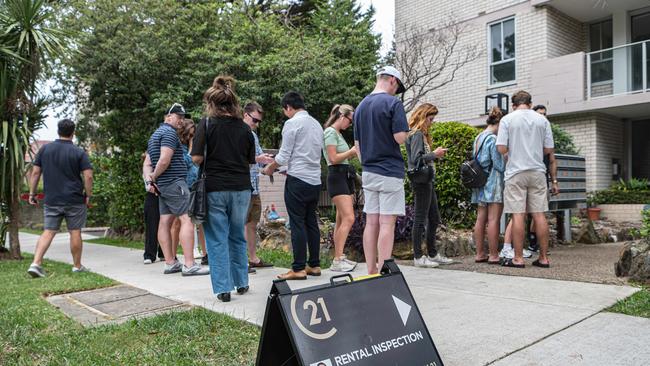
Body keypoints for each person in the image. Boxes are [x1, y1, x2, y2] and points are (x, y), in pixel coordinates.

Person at [191, 75, 256, 302]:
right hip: (241, 189)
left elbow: (197, 157)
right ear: (234, 104)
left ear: (212, 103)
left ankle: (223, 288)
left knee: (217, 238)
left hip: (214, 188)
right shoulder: (245, 128)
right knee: (237, 235)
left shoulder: (206, 124)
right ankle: (242, 281)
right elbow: (250, 159)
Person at [353, 66, 409, 274]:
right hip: (389, 170)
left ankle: (370, 270)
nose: (397, 91)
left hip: (368, 171)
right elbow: (399, 138)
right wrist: (407, 132)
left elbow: (357, 145)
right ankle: (384, 270)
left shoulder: (360, 106)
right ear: (393, 80)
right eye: (398, 86)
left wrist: (367, 162)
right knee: (387, 223)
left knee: (372, 222)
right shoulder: (393, 103)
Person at [263, 91, 324, 280]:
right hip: (314, 180)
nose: (285, 114)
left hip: (297, 180)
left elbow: (283, 156)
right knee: (311, 222)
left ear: (289, 107)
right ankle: (314, 265)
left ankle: (298, 268)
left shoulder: (292, 123)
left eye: (285, 110)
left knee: (297, 223)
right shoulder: (317, 124)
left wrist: (270, 168)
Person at [144, 103, 209, 276]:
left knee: (165, 221)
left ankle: (170, 263)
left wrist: (150, 180)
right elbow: (164, 160)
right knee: (187, 219)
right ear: (168, 117)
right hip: (174, 183)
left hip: (163, 186)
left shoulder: (155, 135)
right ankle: (189, 265)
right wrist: (154, 177)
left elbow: (147, 163)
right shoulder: (169, 133)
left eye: (182, 117)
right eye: (177, 117)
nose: (180, 120)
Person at [496, 91, 558, 268]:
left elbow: (500, 148)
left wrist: (511, 150)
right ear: (530, 104)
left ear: (514, 105)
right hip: (538, 172)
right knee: (539, 214)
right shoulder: (542, 120)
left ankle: (518, 258)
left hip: (515, 172)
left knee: (518, 215)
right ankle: (544, 258)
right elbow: (548, 149)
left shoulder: (507, 119)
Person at [27, 119, 93, 277]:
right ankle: (77, 266)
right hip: (75, 199)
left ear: (58, 131)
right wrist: (88, 195)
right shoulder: (78, 152)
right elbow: (88, 176)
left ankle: (36, 263)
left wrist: (32, 193)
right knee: (75, 231)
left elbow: (35, 173)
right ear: (73, 132)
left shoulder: (45, 150)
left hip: (52, 199)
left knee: (48, 231)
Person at [405, 103, 454, 268]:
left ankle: (432, 253)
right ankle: (418, 256)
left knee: (434, 218)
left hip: (426, 180)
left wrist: (434, 154)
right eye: (430, 119)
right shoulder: (417, 134)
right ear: (423, 116)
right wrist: (435, 154)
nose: (431, 122)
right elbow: (416, 159)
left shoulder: (420, 134)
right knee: (420, 218)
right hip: (421, 181)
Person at [322, 104, 358, 272]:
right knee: (349, 218)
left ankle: (339, 256)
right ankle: (337, 259)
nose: (350, 125)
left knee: (341, 219)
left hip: (343, 175)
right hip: (336, 175)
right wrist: (351, 152)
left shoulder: (337, 134)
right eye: (350, 121)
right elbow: (333, 158)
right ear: (342, 116)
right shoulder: (330, 132)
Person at [242, 102, 275, 272]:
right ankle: (241, 261)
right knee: (240, 224)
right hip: (242, 186)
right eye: (255, 120)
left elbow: (259, 158)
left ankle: (253, 258)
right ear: (245, 115)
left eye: (259, 121)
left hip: (254, 186)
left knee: (252, 224)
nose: (256, 124)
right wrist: (259, 159)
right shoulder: (239, 132)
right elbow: (240, 158)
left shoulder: (253, 135)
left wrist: (272, 165)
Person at [471, 107, 506, 264]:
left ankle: (479, 254)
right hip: (493, 183)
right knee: (493, 220)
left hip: (480, 182)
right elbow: (499, 165)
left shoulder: (478, 137)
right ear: (498, 124)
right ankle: (493, 255)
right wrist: (506, 158)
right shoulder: (492, 139)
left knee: (480, 219)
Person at [142, 153, 165, 264]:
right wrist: (149, 183)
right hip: (152, 192)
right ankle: (149, 255)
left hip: (166, 191)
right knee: (151, 223)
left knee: (166, 223)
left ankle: (164, 253)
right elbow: (147, 168)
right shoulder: (150, 155)